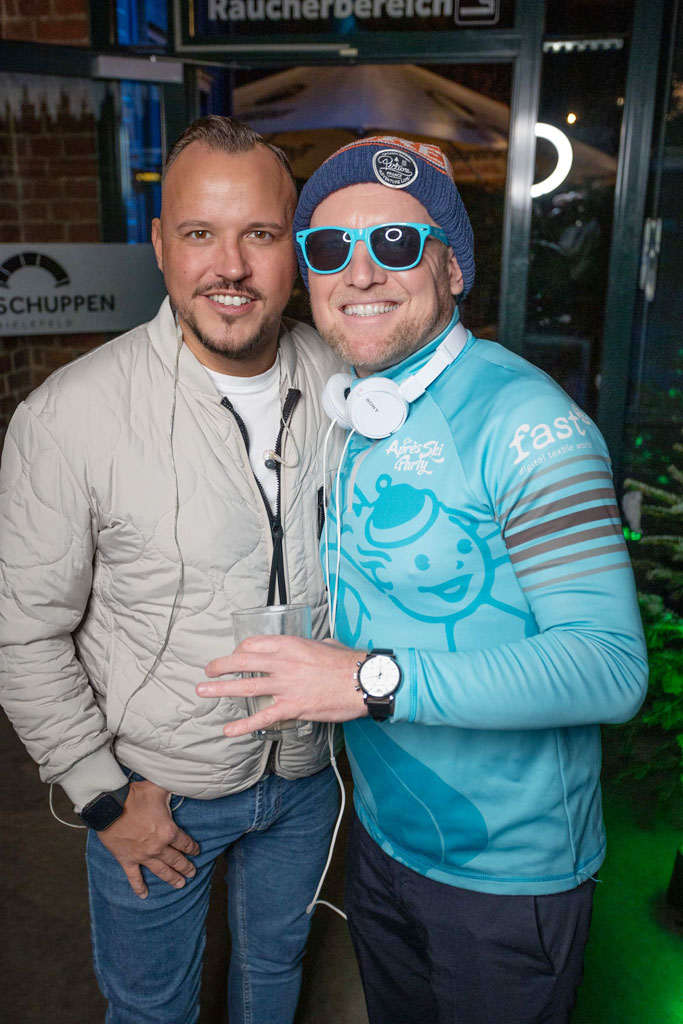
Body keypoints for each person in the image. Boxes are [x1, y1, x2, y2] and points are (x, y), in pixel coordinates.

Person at [197, 136, 649, 1024]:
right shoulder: (364, 412)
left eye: (396, 243)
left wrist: (366, 679)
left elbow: (608, 666)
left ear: (451, 268)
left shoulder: (526, 424)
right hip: (386, 841)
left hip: (505, 881)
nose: (360, 271)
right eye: (330, 247)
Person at [0, 115, 345, 1024]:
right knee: (152, 1008)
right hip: (159, 792)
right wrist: (103, 796)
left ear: (295, 247)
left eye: (259, 234)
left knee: (274, 976)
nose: (229, 267)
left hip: (309, 775)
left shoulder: (348, 386)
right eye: (199, 233)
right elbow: (22, 633)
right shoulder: (70, 416)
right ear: (160, 245)